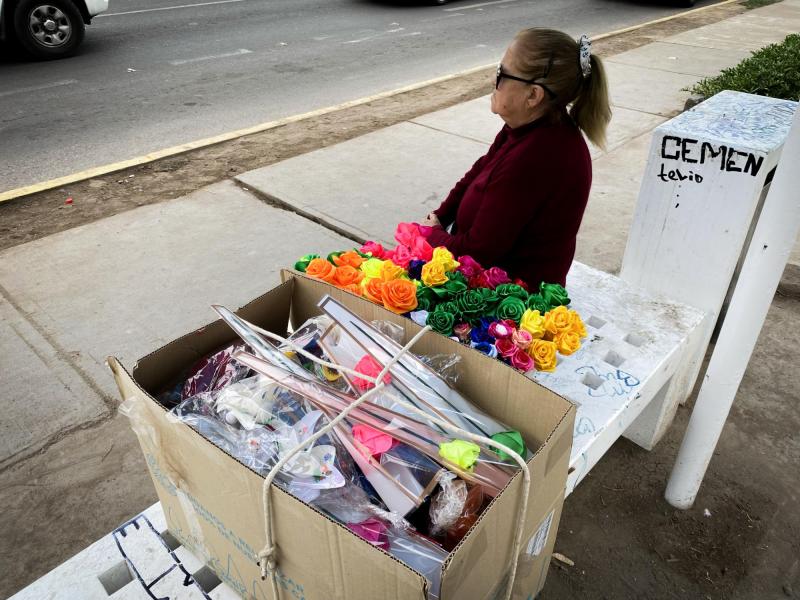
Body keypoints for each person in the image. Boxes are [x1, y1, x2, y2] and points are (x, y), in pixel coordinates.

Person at [420, 28, 611, 289]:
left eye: (502, 73)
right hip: (486, 279)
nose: (494, 80)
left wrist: (432, 236)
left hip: (511, 304)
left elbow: (478, 252)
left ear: (533, 95)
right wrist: (440, 216)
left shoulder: (539, 156)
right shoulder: (529, 127)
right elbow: (478, 170)